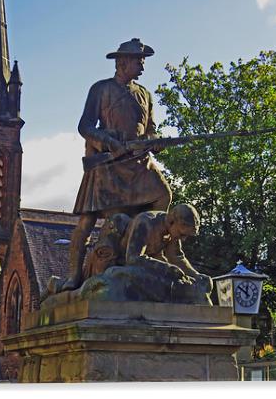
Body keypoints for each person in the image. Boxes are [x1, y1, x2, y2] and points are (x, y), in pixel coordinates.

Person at [61, 38, 172, 291]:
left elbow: (150, 130)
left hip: (138, 162)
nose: (143, 68)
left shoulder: (144, 94)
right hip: (108, 164)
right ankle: (73, 275)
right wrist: (108, 142)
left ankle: (150, 250)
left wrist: (155, 141)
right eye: (139, 62)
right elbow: (85, 126)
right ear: (123, 62)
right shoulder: (100, 90)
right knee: (87, 222)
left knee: (163, 195)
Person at [123, 204, 212, 292]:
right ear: (171, 221)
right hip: (119, 260)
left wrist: (197, 276)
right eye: (182, 234)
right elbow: (133, 258)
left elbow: (177, 258)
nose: (183, 239)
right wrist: (165, 268)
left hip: (142, 265)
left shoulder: (173, 232)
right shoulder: (145, 222)